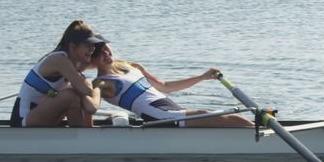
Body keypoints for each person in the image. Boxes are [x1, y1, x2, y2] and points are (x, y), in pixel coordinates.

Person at [90, 43, 253, 127]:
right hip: (161, 117)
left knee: (232, 120)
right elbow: (92, 104)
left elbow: (165, 86)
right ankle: (270, 138)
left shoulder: (131, 66)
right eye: (98, 53)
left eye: (105, 48)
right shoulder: (102, 82)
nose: (105, 53)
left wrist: (202, 77)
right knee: (233, 119)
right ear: (91, 59)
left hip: (171, 111)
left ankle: (261, 132)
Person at [11, 20, 106, 128]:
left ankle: (85, 135)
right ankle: (81, 139)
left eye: (93, 45)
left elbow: (89, 106)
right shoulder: (59, 60)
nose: (92, 49)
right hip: (22, 121)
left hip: (40, 116)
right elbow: (87, 92)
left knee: (75, 94)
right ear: (72, 46)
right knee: (70, 95)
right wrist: (98, 87)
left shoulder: (71, 67)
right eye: (88, 45)